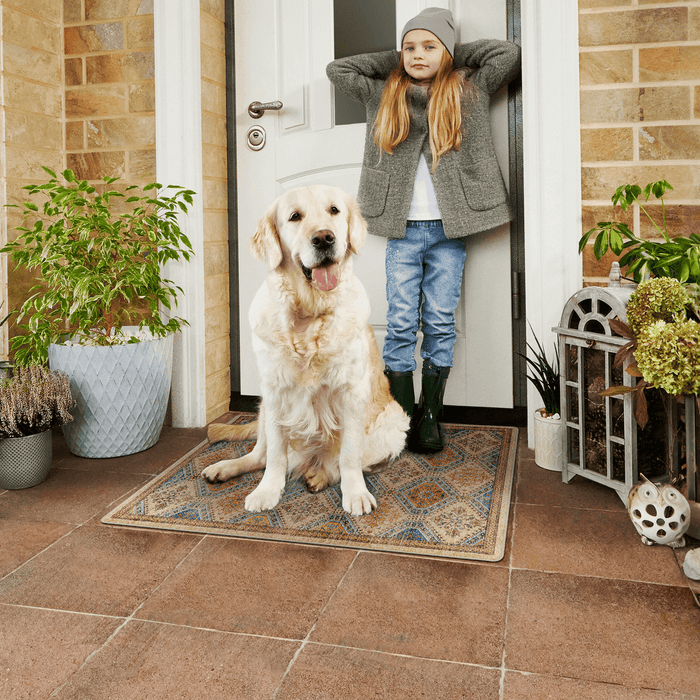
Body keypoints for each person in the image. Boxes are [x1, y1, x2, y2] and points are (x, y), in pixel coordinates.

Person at [326, 8, 521, 453]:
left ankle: (431, 413)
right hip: (403, 231)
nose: (417, 54)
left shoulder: (467, 90)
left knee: (437, 320)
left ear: (448, 53)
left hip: (450, 231)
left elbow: (507, 54)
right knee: (399, 323)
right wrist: (400, 59)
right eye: (410, 47)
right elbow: (339, 69)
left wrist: (449, 55)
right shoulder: (384, 93)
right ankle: (405, 416)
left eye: (429, 47)